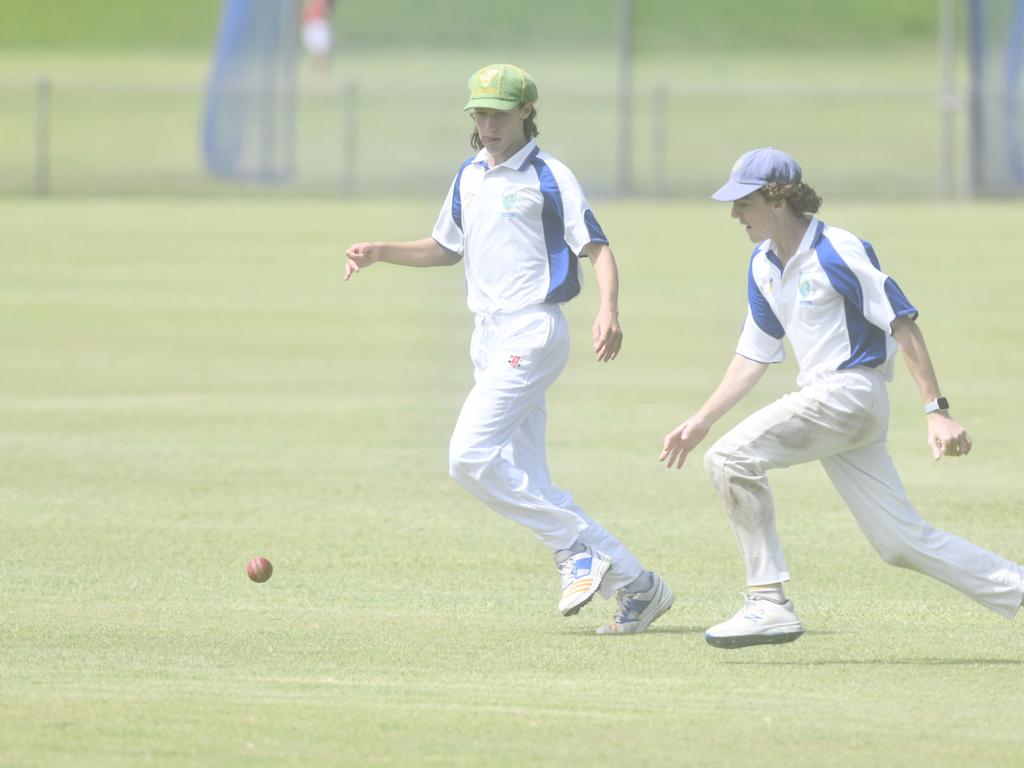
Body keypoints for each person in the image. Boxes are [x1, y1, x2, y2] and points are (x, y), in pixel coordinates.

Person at [345, 64, 673, 634]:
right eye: (480, 112)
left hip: (534, 330)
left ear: (526, 111)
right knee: (532, 483)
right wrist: (382, 251)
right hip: (488, 337)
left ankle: (573, 552)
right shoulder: (469, 175)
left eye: (499, 112)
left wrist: (609, 309)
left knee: (467, 457)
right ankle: (639, 587)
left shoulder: (550, 175)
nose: (488, 123)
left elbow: (597, 248)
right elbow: (446, 248)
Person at [660, 147, 1024, 648]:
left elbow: (901, 322)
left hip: (850, 393)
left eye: (743, 203)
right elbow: (754, 354)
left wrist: (936, 411)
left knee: (730, 458)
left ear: (777, 199)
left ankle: (768, 603)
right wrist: (702, 419)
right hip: (834, 403)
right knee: (900, 543)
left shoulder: (838, 250)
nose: (734, 214)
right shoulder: (763, 264)